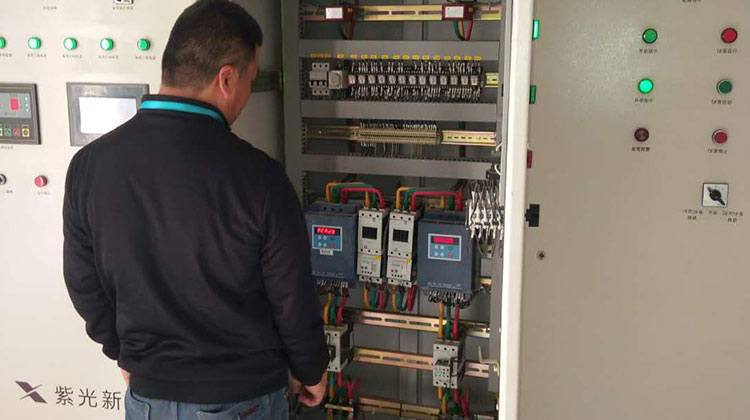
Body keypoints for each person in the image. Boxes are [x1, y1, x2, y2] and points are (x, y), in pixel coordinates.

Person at [62, 1, 328, 419]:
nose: (246, 96)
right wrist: (311, 370)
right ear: (226, 78)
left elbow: (83, 283)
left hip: (146, 398)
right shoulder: (260, 178)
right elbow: (291, 296)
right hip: (242, 397)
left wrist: (128, 353)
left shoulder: (89, 166)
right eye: (249, 81)